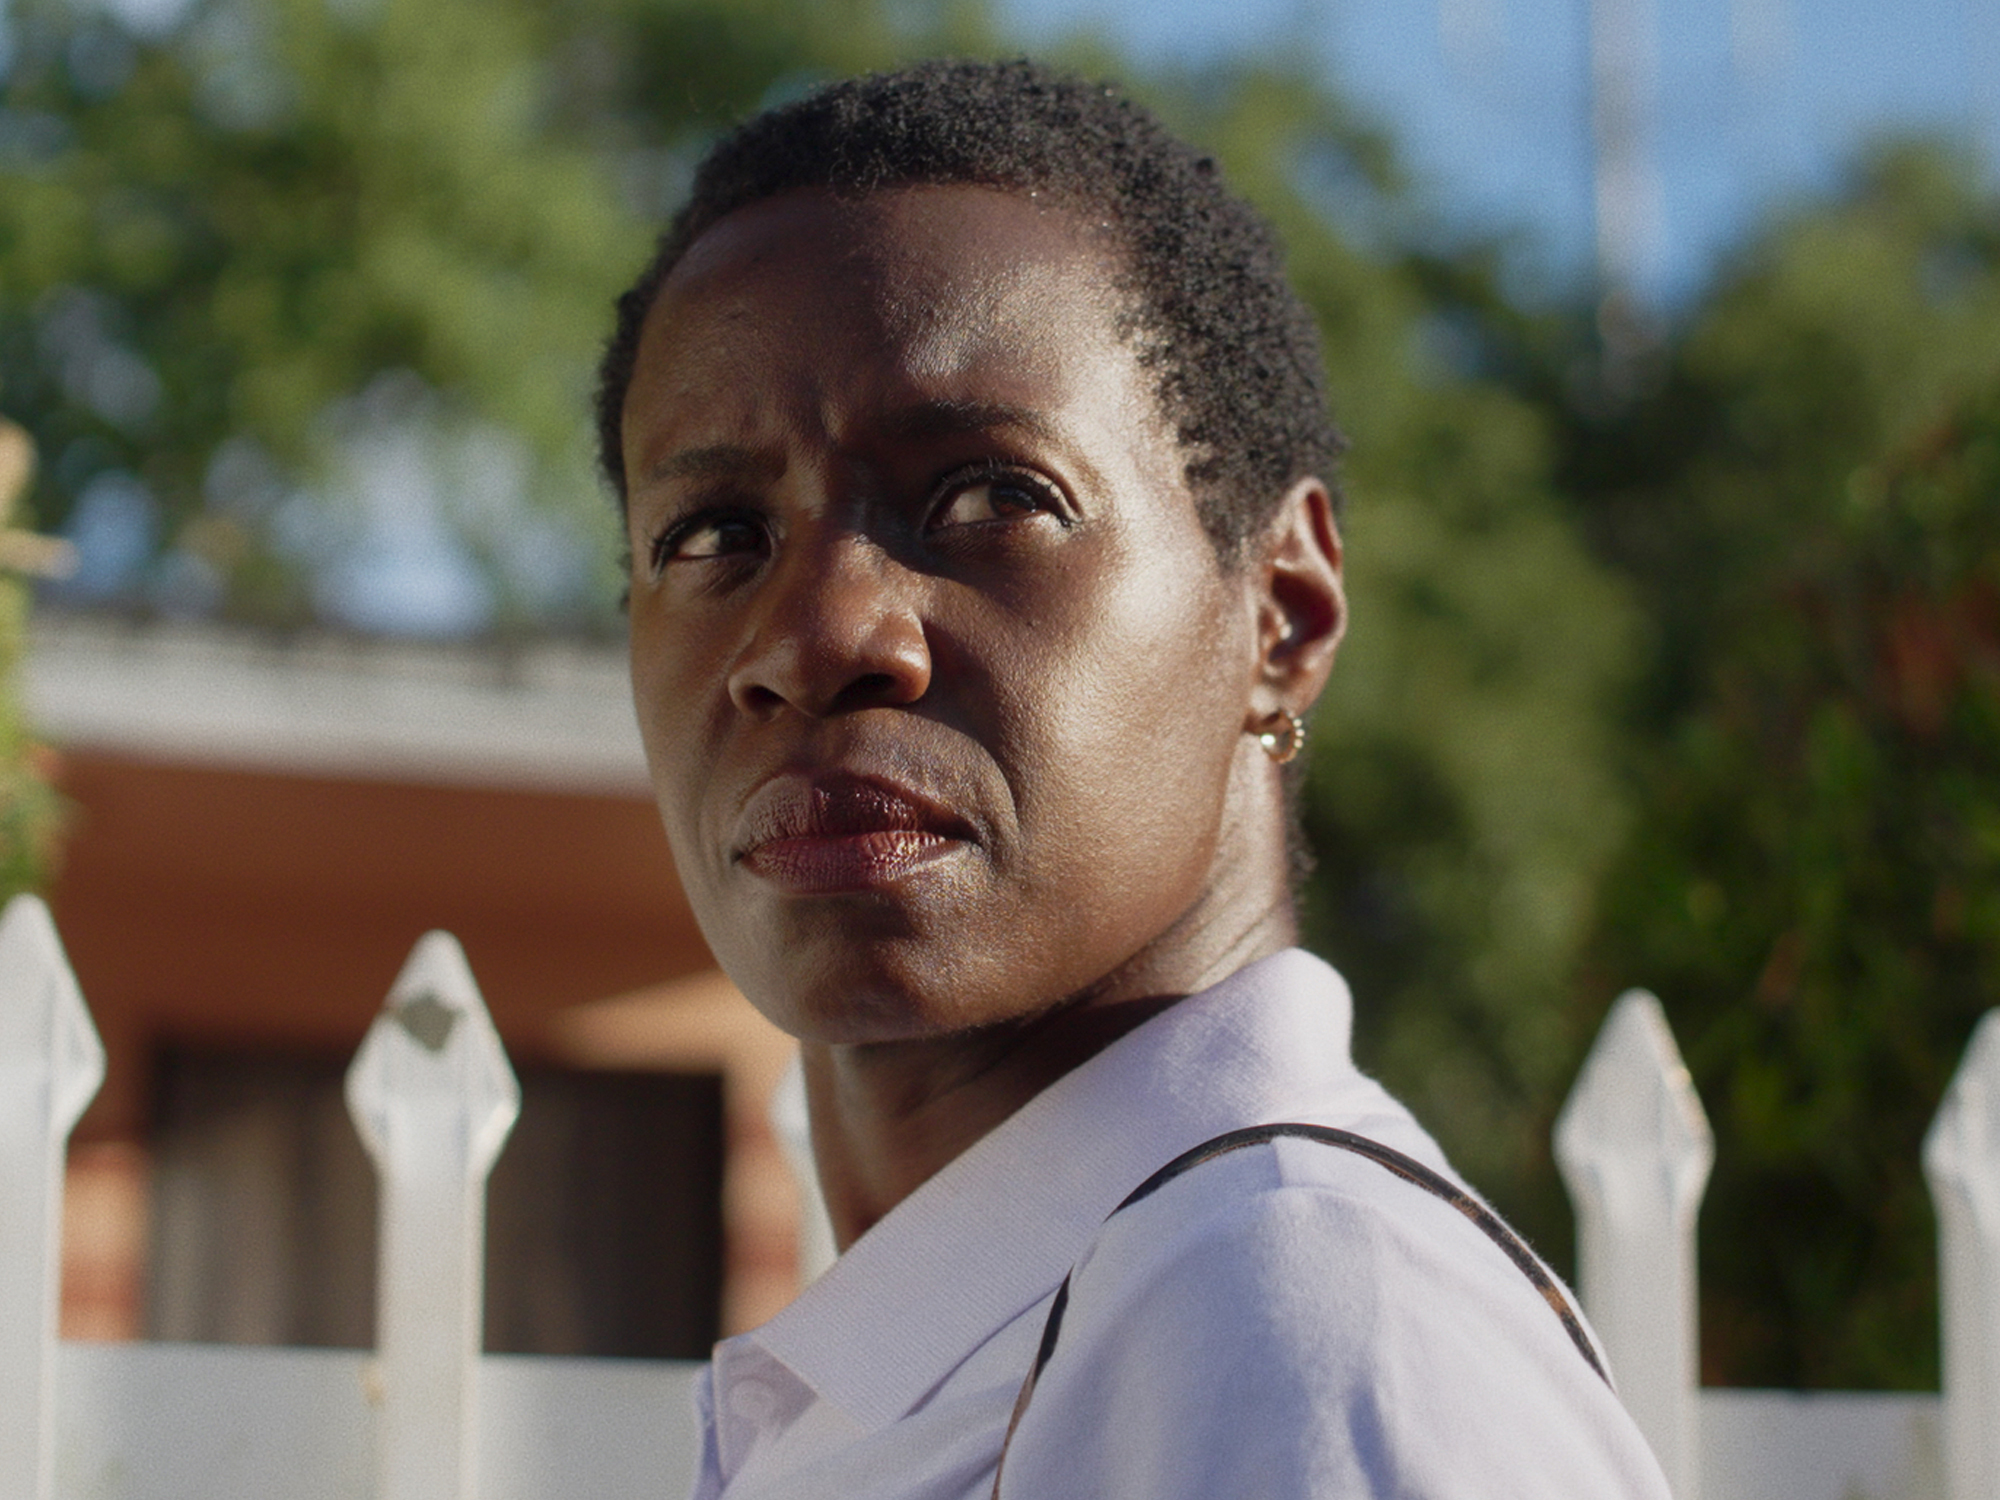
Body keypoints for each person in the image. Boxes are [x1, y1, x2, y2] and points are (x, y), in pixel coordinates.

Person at [597, 57, 1673, 1500]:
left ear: (1281, 614)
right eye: (712, 534)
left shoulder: (1284, 1306)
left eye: (989, 498)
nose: (816, 637)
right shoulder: (986, 1359)